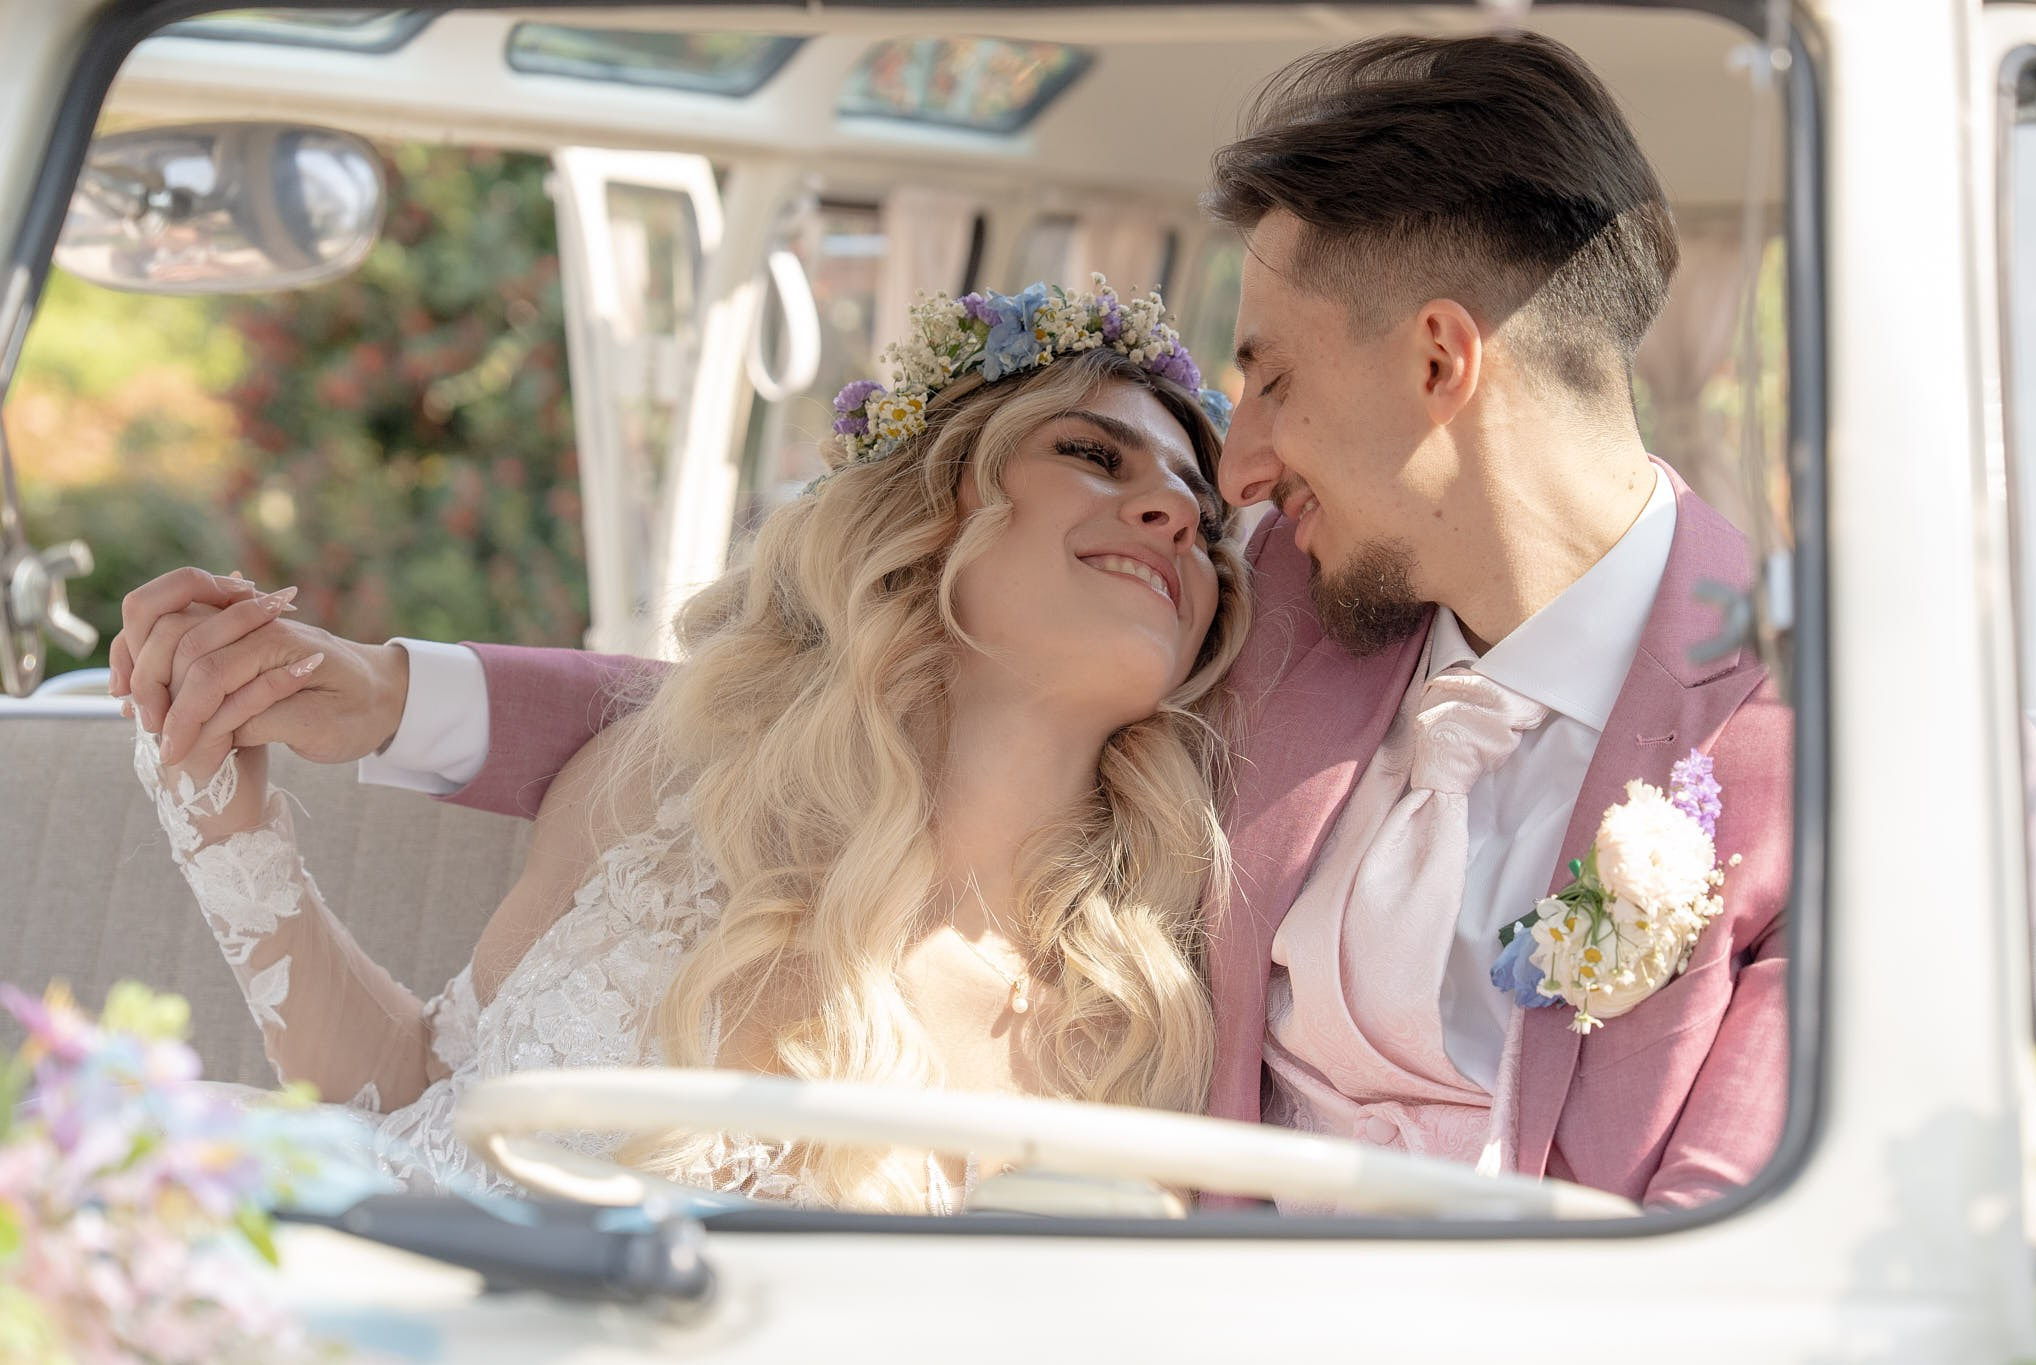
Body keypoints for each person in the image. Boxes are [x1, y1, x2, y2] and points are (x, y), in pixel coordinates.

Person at [118, 31, 1791, 1212]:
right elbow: (758, 695)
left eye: (1263, 380)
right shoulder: (1288, 600)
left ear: (1438, 362)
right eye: (1112, 458)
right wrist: (377, 695)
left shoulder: (1816, 760)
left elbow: (1749, 1260)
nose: (1239, 477)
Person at [122, 282, 1252, 1213]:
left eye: (1204, 519)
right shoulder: (663, 784)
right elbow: (416, 1099)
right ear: (933, 506)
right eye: (1095, 457)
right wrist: (225, 826)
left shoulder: (1131, 1018)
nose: (1169, 513)